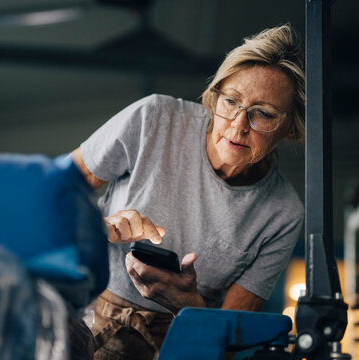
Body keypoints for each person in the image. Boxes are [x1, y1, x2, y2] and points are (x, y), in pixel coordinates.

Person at [71, 23, 305, 360]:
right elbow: (56, 191)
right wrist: (98, 224)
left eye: (264, 114)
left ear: (289, 127)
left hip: (179, 343)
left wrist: (189, 303)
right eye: (231, 101)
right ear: (214, 96)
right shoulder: (155, 118)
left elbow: (229, 334)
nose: (239, 125)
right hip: (88, 313)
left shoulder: (281, 213)